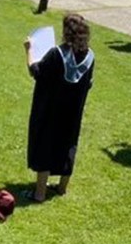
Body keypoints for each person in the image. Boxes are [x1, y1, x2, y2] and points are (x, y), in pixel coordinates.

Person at [26, 13, 96, 199]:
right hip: (73, 112)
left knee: (46, 144)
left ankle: (39, 193)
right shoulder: (90, 56)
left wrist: (29, 50)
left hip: (51, 110)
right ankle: (62, 188)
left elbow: (37, 72)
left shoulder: (57, 54)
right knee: (68, 143)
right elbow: (88, 83)